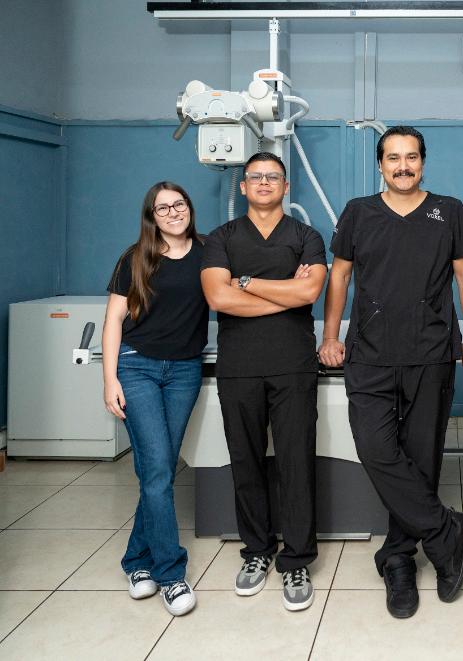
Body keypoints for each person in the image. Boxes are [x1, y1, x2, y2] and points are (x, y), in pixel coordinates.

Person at [319, 126, 463, 619]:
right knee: (375, 448)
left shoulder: (449, 211)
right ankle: (445, 531)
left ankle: (399, 559)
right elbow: (340, 275)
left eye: (411, 157)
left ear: (423, 163)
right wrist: (331, 336)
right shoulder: (358, 212)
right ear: (381, 165)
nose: (403, 166)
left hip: (430, 350)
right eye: (393, 158)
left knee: (421, 458)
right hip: (369, 351)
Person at [201, 152, 328, 612]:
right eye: (255, 176)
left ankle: (296, 559)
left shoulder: (306, 236)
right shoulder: (221, 237)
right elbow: (218, 298)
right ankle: (257, 551)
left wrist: (246, 282)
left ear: (286, 186)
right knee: (246, 461)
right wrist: (284, 295)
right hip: (239, 366)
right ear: (243, 186)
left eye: (273, 176)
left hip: (293, 364)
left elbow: (310, 291)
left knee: (296, 462)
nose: (264, 182)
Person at [102, 181, 208, 617]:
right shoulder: (135, 258)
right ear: (152, 216)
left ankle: (136, 561)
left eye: (178, 204)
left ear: (189, 208)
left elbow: (242, 281)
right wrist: (109, 379)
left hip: (184, 371)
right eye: (162, 208)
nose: (173, 212)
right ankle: (170, 574)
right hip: (137, 367)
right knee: (160, 469)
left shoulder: (208, 252)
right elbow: (113, 320)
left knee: (157, 469)